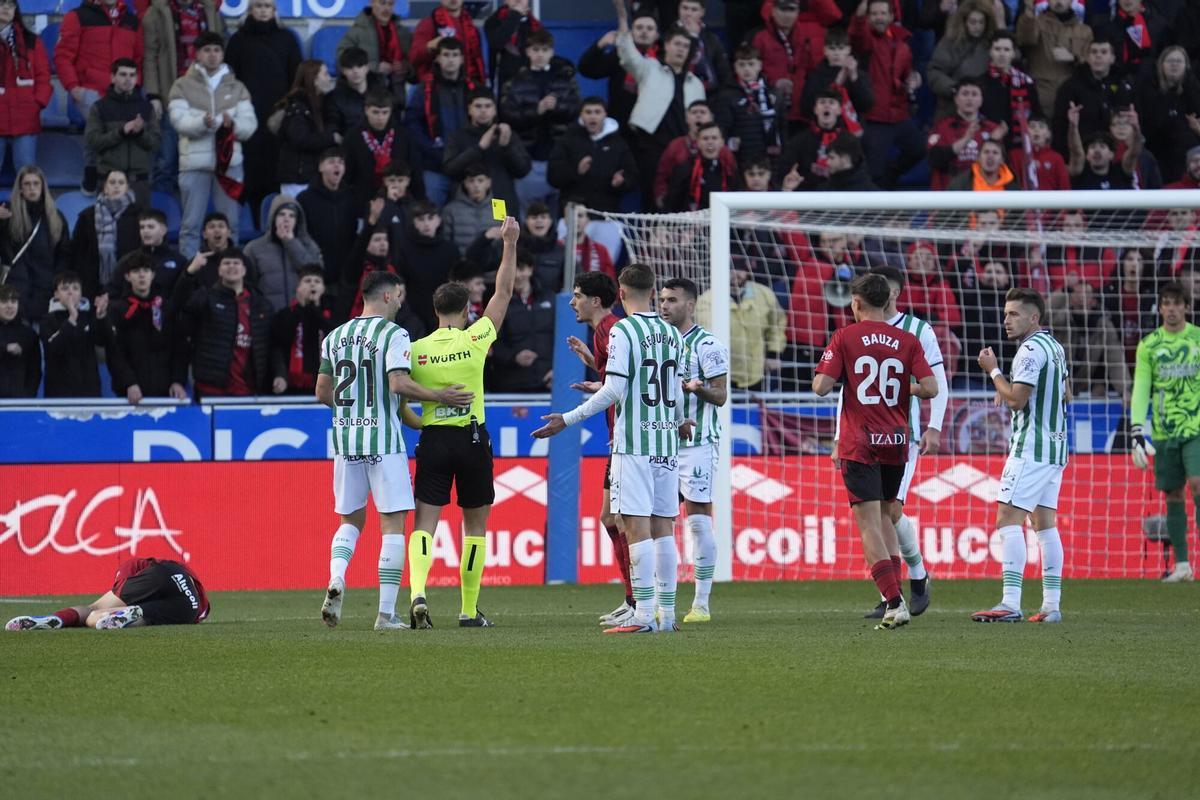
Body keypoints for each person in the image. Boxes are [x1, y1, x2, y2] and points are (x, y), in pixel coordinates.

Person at [534, 263, 692, 634]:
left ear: (620, 294)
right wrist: (682, 420)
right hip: (666, 442)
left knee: (634, 527)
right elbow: (678, 390)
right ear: (653, 293)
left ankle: (642, 615)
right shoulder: (673, 335)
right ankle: (666, 617)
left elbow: (614, 390)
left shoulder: (622, 330)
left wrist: (567, 419)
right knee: (664, 528)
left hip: (633, 444)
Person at [405, 216, 521, 629]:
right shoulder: (475, 339)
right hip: (472, 440)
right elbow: (504, 291)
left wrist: (415, 421)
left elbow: (398, 393)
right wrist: (509, 243)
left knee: (425, 524)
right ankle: (469, 611)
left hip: (433, 439)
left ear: (435, 311)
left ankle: (418, 593)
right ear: (468, 309)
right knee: (474, 529)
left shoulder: (416, 350)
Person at [812, 273, 938, 631]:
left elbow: (821, 387)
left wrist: (841, 373)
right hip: (897, 442)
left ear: (856, 303)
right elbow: (930, 387)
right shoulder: (907, 339)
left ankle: (893, 601)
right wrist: (901, 387)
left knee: (868, 524)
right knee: (887, 515)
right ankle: (900, 589)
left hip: (860, 442)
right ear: (887, 302)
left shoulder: (845, 336)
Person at [972, 287, 1069, 623]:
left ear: (1034, 317)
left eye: (1014, 314)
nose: (1006, 321)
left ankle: (1010, 603)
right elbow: (1065, 392)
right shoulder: (1054, 346)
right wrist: (1015, 389)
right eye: (1005, 314)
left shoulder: (1029, 350)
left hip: (1030, 447)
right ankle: (1051, 606)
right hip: (1055, 448)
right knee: (1044, 525)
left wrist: (994, 371)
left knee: (1007, 520)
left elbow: (1016, 400)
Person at [564, 271, 634, 625]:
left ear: (595, 300)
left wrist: (597, 385)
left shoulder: (611, 327)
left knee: (622, 519)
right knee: (611, 517)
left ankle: (639, 600)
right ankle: (632, 598)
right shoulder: (604, 331)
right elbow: (619, 377)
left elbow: (621, 385)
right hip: (617, 437)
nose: (572, 301)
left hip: (627, 439)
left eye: (577, 295)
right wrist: (594, 363)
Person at [659, 277, 728, 623]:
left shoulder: (708, 344)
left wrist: (697, 388)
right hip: (659, 443)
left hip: (697, 444)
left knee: (698, 522)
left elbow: (721, 395)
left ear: (690, 305)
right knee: (659, 522)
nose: (665, 306)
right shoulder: (658, 340)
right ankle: (661, 601)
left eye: (672, 300)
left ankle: (701, 603)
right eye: (662, 299)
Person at [1129, 281, 1200, 583]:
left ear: (1186, 306)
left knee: (1198, 484)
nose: (1171, 309)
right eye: (1166, 303)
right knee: (1173, 493)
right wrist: (1136, 430)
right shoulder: (1149, 345)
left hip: (1195, 426)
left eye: (1176, 303)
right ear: (1160, 308)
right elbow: (1141, 389)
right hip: (1164, 430)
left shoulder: (1197, 338)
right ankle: (1182, 565)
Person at [168, 32, 257, 258]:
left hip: (229, 165)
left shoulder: (237, 87)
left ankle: (231, 270)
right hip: (194, 164)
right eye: (207, 50)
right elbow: (178, 121)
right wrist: (202, 123)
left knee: (231, 225)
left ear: (222, 54)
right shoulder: (182, 85)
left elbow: (250, 125)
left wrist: (232, 125)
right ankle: (189, 275)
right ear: (197, 54)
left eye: (217, 50)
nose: (212, 55)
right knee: (191, 225)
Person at [612, 0, 705, 209]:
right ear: (666, 46)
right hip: (653, 145)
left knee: (682, 196)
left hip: (684, 146)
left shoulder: (695, 83)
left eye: (685, 46)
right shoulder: (650, 68)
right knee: (652, 198)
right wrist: (622, 17)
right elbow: (627, 53)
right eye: (677, 44)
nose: (681, 49)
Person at [54, 0, 142, 191]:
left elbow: (138, 58)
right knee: (103, 124)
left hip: (123, 91)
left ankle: (107, 176)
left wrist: (135, 84)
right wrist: (73, 87)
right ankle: (94, 169)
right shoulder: (77, 16)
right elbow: (63, 56)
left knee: (117, 128)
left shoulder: (131, 20)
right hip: (90, 88)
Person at [225, 0, 302, 213]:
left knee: (275, 166)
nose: (263, 10)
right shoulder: (238, 40)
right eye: (258, 6)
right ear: (250, 10)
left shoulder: (287, 39)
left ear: (274, 11)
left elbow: (296, 78)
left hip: (278, 114)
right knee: (250, 168)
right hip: (247, 114)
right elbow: (230, 80)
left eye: (267, 6)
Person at [143, 0, 224, 195]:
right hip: (172, 96)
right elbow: (150, 55)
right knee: (167, 161)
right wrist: (153, 94)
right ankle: (163, 218)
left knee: (201, 163)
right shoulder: (156, 13)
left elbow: (221, 54)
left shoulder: (210, 11)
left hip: (203, 99)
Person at [499, 29, 581, 212]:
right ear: (527, 52)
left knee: (557, 213)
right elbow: (507, 115)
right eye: (535, 50)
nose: (540, 54)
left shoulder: (566, 78)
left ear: (552, 52)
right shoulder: (514, 81)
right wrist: (537, 110)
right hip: (527, 157)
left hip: (558, 156)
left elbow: (576, 109)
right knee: (526, 211)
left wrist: (556, 107)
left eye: (544, 50)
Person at [6, 557, 209, 631]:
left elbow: (124, 581)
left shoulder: (133, 565)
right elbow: (204, 611)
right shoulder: (200, 605)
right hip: (190, 607)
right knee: (147, 618)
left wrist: (119, 590)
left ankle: (55, 618)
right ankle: (130, 616)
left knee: (94, 612)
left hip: (162, 575)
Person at [174, 248, 274, 398]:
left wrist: (279, 375)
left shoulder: (261, 305)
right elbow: (179, 304)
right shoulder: (205, 298)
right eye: (226, 263)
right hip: (211, 391)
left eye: (236, 263)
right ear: (219, 270)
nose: (232, 266)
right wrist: (190, 272)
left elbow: (271, 346)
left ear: (244, 270)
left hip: (249, 391)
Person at [850, 0, 924, 188]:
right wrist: (861, 12)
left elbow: (908, 73)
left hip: (899, 114)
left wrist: (914, 79)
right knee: (874, 171)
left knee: (919, 150)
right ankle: (876, 208)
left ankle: (890, 179)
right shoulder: (867, 40)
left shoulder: (903, 44)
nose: (879, 18)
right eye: (874, 14)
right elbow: (857, 32)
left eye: (883, 13)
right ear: (868, 17)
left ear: (891, 17)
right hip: (875, 116)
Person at [107, 252, 188, 402]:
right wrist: (129, 383)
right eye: (136, 271)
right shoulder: (117, 310)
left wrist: (177, 381)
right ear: (127, 277)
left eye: (146, 271)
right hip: (130, 395)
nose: (142, 276)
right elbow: (115, 352)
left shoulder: (166, 308)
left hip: (166, 393)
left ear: (153, 275)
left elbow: (179, 348)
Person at [405, 37, 476, 207]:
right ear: (437, 58)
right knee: (428, 216)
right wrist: (433, 151)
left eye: (454, 55)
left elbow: (488, 124)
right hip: (434, 166)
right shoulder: (423, 90)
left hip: (472, 167)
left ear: (461, 59)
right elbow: (412, 126)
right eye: (446, 55)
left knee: (489, 214)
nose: (450, 59)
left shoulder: (475, 89)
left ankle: (498, 234)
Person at [698, 260, 785, 391]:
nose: (735, 274)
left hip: (758, 373)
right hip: (722, 375)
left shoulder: (764, 294)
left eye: (739, 269)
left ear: (747, 270)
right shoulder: (707, 300)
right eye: (730, 270)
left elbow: (777, 326)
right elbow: (705, 336)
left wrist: (774, 354)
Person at [750, 0, 841, 124]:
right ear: (773, 11)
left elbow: (815, 72)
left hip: (803, 112)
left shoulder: (806, 36)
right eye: (783, 10)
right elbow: (751, 74)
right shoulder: (759, 38)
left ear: (798, 12)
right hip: (770, 110)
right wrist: (772, 84)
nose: (787, 15)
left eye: (791, 10)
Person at [85, 58, 161, 206]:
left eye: (132, 75)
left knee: (140, 228)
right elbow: (93, 142)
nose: (128, 79)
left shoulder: (146, 108)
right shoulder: (99, 107)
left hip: (139, 182)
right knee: (108, 228)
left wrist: (140, 133)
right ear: (112, 77)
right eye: (123, 74)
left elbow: (156, 144)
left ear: (137, 78)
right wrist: (120, 132)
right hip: (109, 181)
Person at [443, 88, 531, 214]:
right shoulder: (457, 136)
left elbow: (523, 170)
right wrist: (479, 148)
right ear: (469, 109)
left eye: (488, 106)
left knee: (500, 232)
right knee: (468, 232)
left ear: (495, 109)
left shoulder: (506, 134)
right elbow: (450, 169)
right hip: (467, 201)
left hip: (499, 200)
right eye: (478, 106)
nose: (483, 110)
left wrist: (507, 147)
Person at [1, 165, 70, 322]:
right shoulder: (7, 214)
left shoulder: (57, 218)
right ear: (20, 189)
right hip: (16, 289)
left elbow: (64, 254)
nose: (32, 188)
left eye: (36, 183)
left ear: (43, 187)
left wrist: (58, 284)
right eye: (27, 184)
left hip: (46, 287)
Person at [547, 97, 639, 213]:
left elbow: (633, 176)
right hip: (573, 214)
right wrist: (576, 172)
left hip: (607, 214)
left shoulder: (618, 144)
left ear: (605, 114)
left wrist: (622, 182)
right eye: (588, 112)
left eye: (597, 112)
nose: (592, 116)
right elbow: (553, 177)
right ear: (581, 115)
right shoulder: (567, 140)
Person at [577, 10, 659, 132]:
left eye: (649, 28)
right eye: (639, 27)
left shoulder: (663, 59)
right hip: (621, 124)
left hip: (653, 125)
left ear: (656, 35)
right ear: (631, 33)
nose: (644, 31)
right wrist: (601, 44)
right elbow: (587, 69)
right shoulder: (619, 55)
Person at [1051, 39, 1134, 155]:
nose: (1098, 56)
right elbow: (1059, 125)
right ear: (1088, 58)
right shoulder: (1070, 86)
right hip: (1082, 153)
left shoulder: (1124, 85)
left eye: (1104, 52)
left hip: (1115, 154)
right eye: (1094, 52)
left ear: (1112, 58)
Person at [345, 87, 423, 210]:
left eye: (384, 112)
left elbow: (415, 170)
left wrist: (420, 202)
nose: (380, 118)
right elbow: (348, 175)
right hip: (364, 203)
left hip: (400, 203)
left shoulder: (402, 135)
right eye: (375, 112)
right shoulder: (353, 137)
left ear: (391, 111)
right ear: (366, 110)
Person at [243, 195, 324, 313]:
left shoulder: (309, 246)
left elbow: (315, 273)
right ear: (273, 218)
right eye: (282, 214)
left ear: (297, 221)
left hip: (302, 316)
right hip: (268, 316)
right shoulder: (254, 248)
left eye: (292, 216)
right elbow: (247, 286)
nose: (286, 219)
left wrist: (291, 243)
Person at [1015, 0, 1094, 119]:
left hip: (1072, 93)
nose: (1058, 1)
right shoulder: (1036, 22)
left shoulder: (1084, 31)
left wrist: (1074, 58)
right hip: (1041, 90)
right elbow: (1024, 39)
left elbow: (1092, 62)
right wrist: (1029, 12)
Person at [72, 169, 143, 300]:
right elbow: (77, 251)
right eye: (112, 182)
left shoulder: (139, 215)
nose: (116, 186)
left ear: (127, 188)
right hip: (93, 285)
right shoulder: (87, 216)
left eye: (121, 183)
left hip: (129, 284)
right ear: (105, 188)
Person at [274, 60, 341, 198]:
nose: (330, 78)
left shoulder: (320, 105)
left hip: (309, 178)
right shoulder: (297, 107)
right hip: (297, 181)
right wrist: (332, 137)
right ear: (314, 80)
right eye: (325, 74)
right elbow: (301, 139)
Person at [0, 0, 51, 175]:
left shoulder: (31, 41)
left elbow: (44, 77)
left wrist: (37, 103)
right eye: (2, 3)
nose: (7, 8)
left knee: (27, 178)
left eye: (11, 5)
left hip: (25, 119)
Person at [1137, 46, 1200, 185]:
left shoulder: (1193, 90)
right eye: (1170, 60)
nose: (1174, 64)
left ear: (1186, 66)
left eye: (1179, 61)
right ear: (1161, 65)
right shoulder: (1149, 90)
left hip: (1189, 157)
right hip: (1159, 154)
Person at [927, 77, 1005, 191]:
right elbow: (934, 160)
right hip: (948, 195)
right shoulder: (942, 127)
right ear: (956, 99)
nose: (970, 99)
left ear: (981, 100)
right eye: (965, 94)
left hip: (983, 195)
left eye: (974, 94)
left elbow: (1001, 167)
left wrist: (992, 142)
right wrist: (966, 139)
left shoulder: (992, 129)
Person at [41, 271, 108, 398]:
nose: (70, 292)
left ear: (81, 293)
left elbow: (103, 342)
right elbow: (52, 349)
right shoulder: (47, 320)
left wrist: (101, 317)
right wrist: (71, 319)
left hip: (89, 391)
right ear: (56, 294)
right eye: (65, 288)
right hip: (58, 392)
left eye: (75, 288)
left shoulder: (89, 316)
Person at [270, 265, 334, 396]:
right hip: (291, 384)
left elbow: (333, 338)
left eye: (317, 282)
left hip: (325, 385)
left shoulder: (332, 314)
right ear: (298, 287)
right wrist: (301, 308)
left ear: (323, 288)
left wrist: (314, 308)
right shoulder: (285, 314)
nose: (312, 285)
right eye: (307, 281)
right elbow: (280, 343)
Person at [297, 147, 357, 287]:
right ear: (321, 167)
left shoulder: (351, 197)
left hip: (345, 270)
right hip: (317, 269)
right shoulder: (305, 198)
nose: (337, 165)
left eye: (341, 162)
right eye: (331, 161)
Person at [397, 199, 460, 332]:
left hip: (444, 313)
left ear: (438, 220)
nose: (426, 223)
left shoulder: (451, 249)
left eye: (430, 218)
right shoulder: (404, 249)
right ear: (414, 222)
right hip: (412, 314)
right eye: (421, 219)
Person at [927, 0, 996, 117]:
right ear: (964, 22)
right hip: (952, 108)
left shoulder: (992, 43)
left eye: (981, 22)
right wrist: (954, 89)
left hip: (985, 108)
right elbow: (934, 72)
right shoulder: (950, 42)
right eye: (973, 22)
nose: (977, 26)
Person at [338, 0, 412, 108]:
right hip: (366, 97)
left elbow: (414, 63)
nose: (386, 8)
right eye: (382, 3)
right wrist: (373, 66)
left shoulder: (403, 33)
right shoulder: (357, 31)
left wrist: (405, 67)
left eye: (390, 4)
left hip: (396, 95)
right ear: (372, 3)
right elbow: (341, 58)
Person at [410, 0, 486, 86]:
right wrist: (429, 46)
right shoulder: (428, 24)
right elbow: (413, 57)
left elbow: (478, 63)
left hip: (468, 86)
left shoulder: (472, 28)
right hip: (437, 87)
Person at [484, 0, 543, 92]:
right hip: (504, 85)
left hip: (531, 85)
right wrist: (515, 15)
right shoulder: (494, 21)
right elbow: (497, 43)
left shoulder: (535, 26)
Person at [441, 163, 499, 252]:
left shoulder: (499, 207)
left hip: (493, 263)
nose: (476, 185)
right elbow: (445, 243)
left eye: (480, 180)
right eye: (471, 181)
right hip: (462, 263)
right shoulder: (451, 210)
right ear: (465, 184)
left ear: (488, 183)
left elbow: (504, 240)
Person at [0, 284, 40, 398]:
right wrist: (5, 348)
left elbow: (35, 372)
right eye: (4, 301)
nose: (10, 306)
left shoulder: (29, 334)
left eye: (13, 301)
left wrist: (27, 397)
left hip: (19, 402)